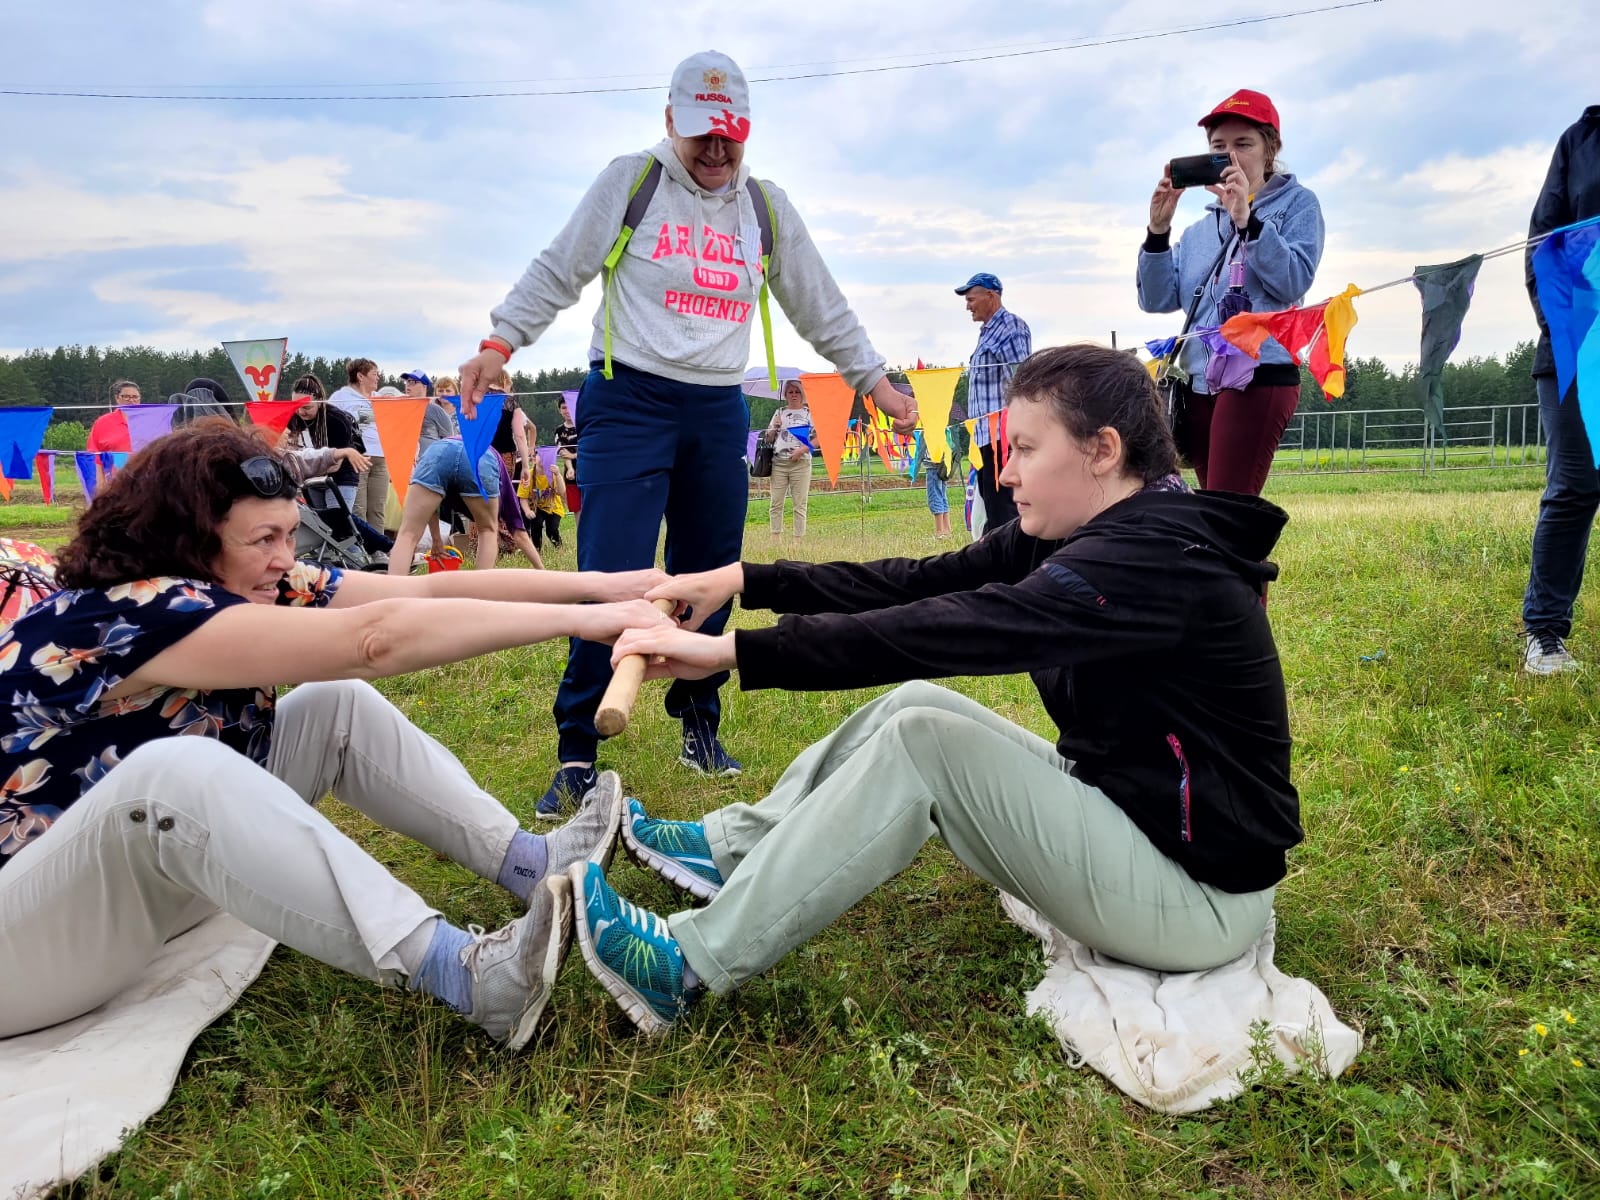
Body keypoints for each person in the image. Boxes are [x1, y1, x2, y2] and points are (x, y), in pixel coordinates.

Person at [560, 344, 1300, 1037]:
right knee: (916, 705)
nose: (1005, 474)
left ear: (1103, 451)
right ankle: (726, 852)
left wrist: (729, 650)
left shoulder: (1151, 560)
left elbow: (948, 627)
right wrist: (748, 581)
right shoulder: (1078, 532)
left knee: (924, 745)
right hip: (1133, 820)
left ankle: (684, 965)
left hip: (1201, 897)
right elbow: (922, 582)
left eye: (1029, 451)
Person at [0, 418, 675, 1048]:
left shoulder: (236, 580)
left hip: (117, 900)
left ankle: (534, 865)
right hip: (23, 949)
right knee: (178, 775)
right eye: (263, 539)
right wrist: (583, 622)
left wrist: (606, 588)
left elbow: (417, 598)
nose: (284, 557)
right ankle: (468, 976)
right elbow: (374, 642)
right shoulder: (120, 616)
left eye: (289, 534)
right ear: (187, 539)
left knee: (334, 706)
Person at [455, 50, 918, 815]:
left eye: (728, 136)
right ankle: (578, 747)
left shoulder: (764, 209)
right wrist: (501, 343)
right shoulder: (632, 182)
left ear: (747, 131)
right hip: (627, 397)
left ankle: (699, 722)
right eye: (699, 133)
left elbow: (820, 303)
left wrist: (872, 380)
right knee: (609, 575)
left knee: (709, 575)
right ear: (671, 121)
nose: (714, 151)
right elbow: (561, 266)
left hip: (715, 410)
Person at [1137, 89, 1325, 495]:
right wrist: (1157, 232)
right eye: (1219, 146)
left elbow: (1292, 282)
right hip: (1199, 382)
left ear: (1270, 148)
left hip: (1259, 374)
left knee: (1226, 507)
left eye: (1244, 144)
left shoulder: (1299, 206)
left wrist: (1248, 220)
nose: (1231, 156)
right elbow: (1156, 300)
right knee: (1214, 506)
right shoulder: (1198, 232)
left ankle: (1233, 561)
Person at [1520, 105, 1600, 674]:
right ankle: (1544, 634)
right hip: (1578, 340)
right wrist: (1563, 326)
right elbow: (1541, 247)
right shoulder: (1581, 140)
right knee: (1575, 484)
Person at [956, 273, 1031, 531]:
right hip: (984, 435)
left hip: (1003, 434)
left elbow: (1020, 379)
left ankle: (1010, 562)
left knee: (1003, 507)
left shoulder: (1011, 327)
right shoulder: (987, 332)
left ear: (991, 295)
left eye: (971, 299)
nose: (968, 306)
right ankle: (997, 557)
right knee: (991, 501)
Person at [282, 374, 367, 509]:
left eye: (307, 407)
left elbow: (335, 464)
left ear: (320, 403)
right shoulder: (293, 417)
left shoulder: (336, 420)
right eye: (296, 406)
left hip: (341, 476)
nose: (300, 411)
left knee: (337, 520)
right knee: (319, 525)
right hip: (311, 477)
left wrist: (305, 466)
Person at [328, 358, 391, 530]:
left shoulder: (380, 397)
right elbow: (342, 421)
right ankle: (360, 551)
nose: (378, 378)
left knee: (377, 509)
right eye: (374, 374)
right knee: (359, 508)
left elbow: (396, 412)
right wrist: (375, 413)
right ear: (361, 377)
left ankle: (379, 551)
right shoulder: (341, 397)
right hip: (358, 458)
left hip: (381, 458)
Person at [766, 378, 813, 541]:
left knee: (800, 503)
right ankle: (775, 538)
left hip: (801, 464)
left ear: (802, 393)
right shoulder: (779, 413)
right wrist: (774, 427)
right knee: (776, 502)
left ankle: (797, 541)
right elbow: (769, 439)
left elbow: (819, 438)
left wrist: (802, 450)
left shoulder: (809, 413)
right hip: (779, 463)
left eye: (797, 391)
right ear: (785, 394)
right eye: (790, 392)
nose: (794, 395)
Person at [87, 379, 141, 455]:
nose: (131, 400)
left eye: (135, 397)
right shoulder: (102, 422)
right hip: (113, 466)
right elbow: (92, 453)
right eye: (126, 396)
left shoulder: (150, 421)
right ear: (117, 398)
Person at [553, 398, 580, 516]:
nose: (567, 410)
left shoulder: (584, 426)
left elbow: (591, 447)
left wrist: (574, 455)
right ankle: (581, 534)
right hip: (571, 475)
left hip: (590, 471)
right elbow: (563, 452)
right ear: (560, 410)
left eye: (569, 407)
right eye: (564, 408)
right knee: (577, 508)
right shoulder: (559, 431)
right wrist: (570, 468)